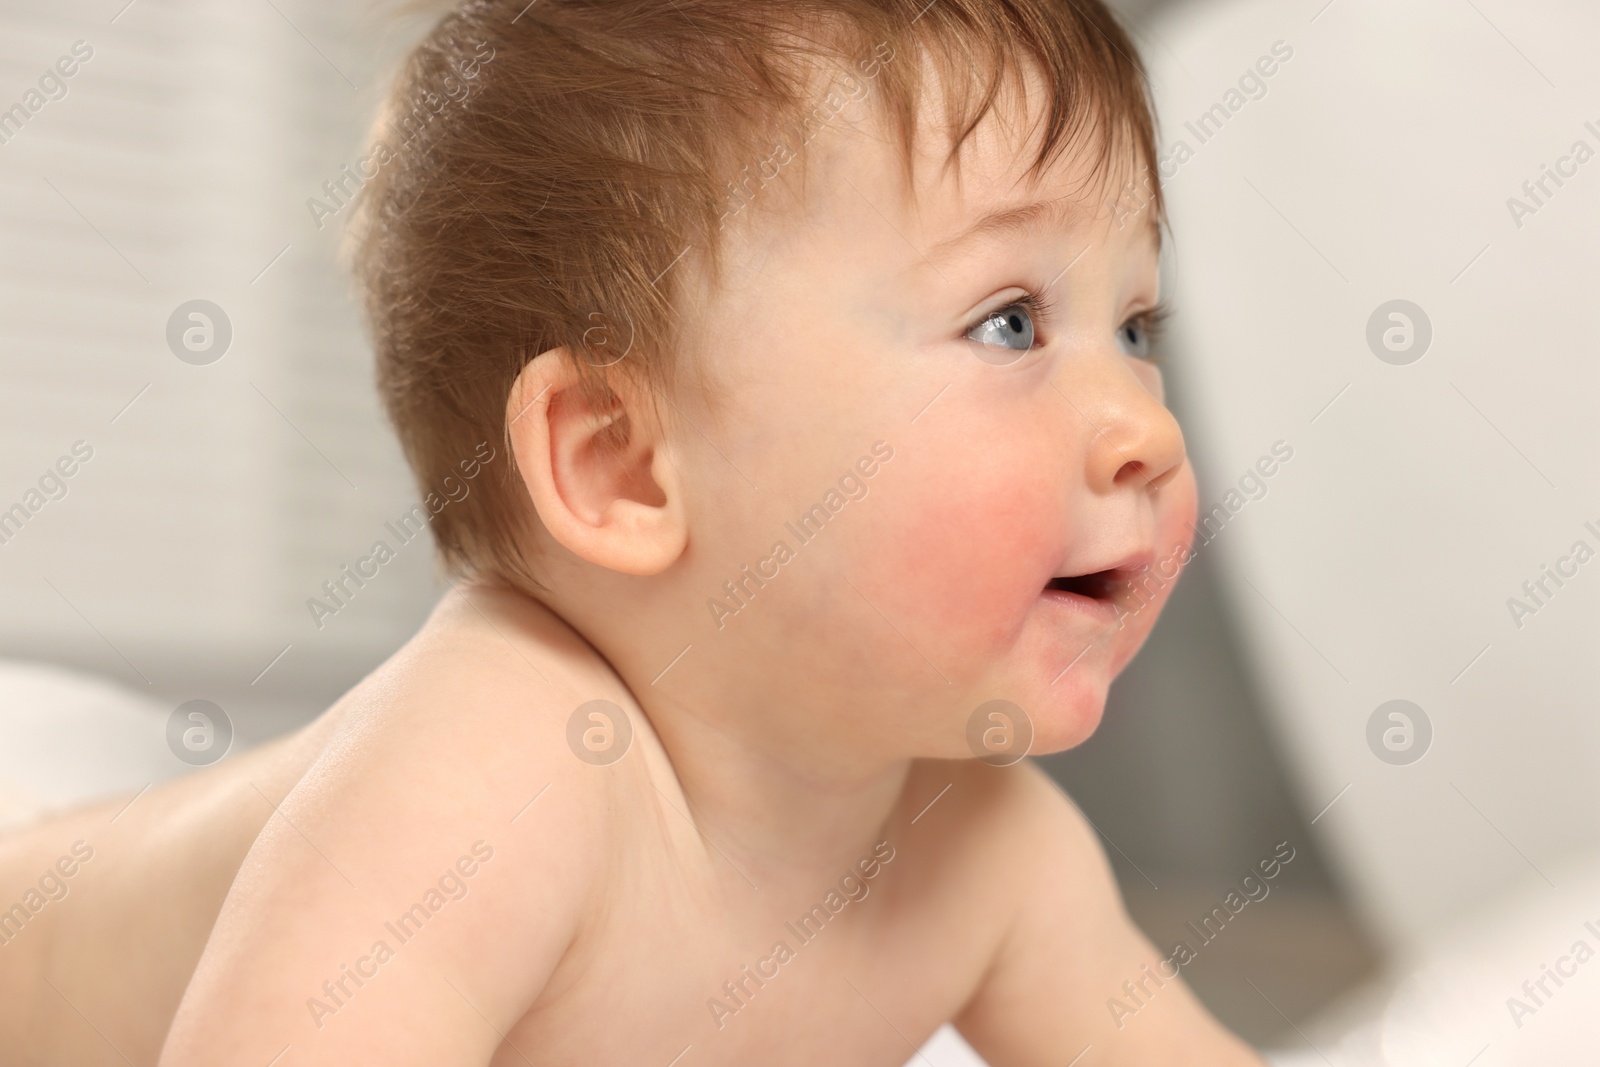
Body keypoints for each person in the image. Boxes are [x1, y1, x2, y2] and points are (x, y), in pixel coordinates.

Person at [0, 0, 1262, 1062]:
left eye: (1138, 327)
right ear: (621, 464)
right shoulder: (497, 769)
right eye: (1009, 322)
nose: (1140, 425)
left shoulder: (986, 855)